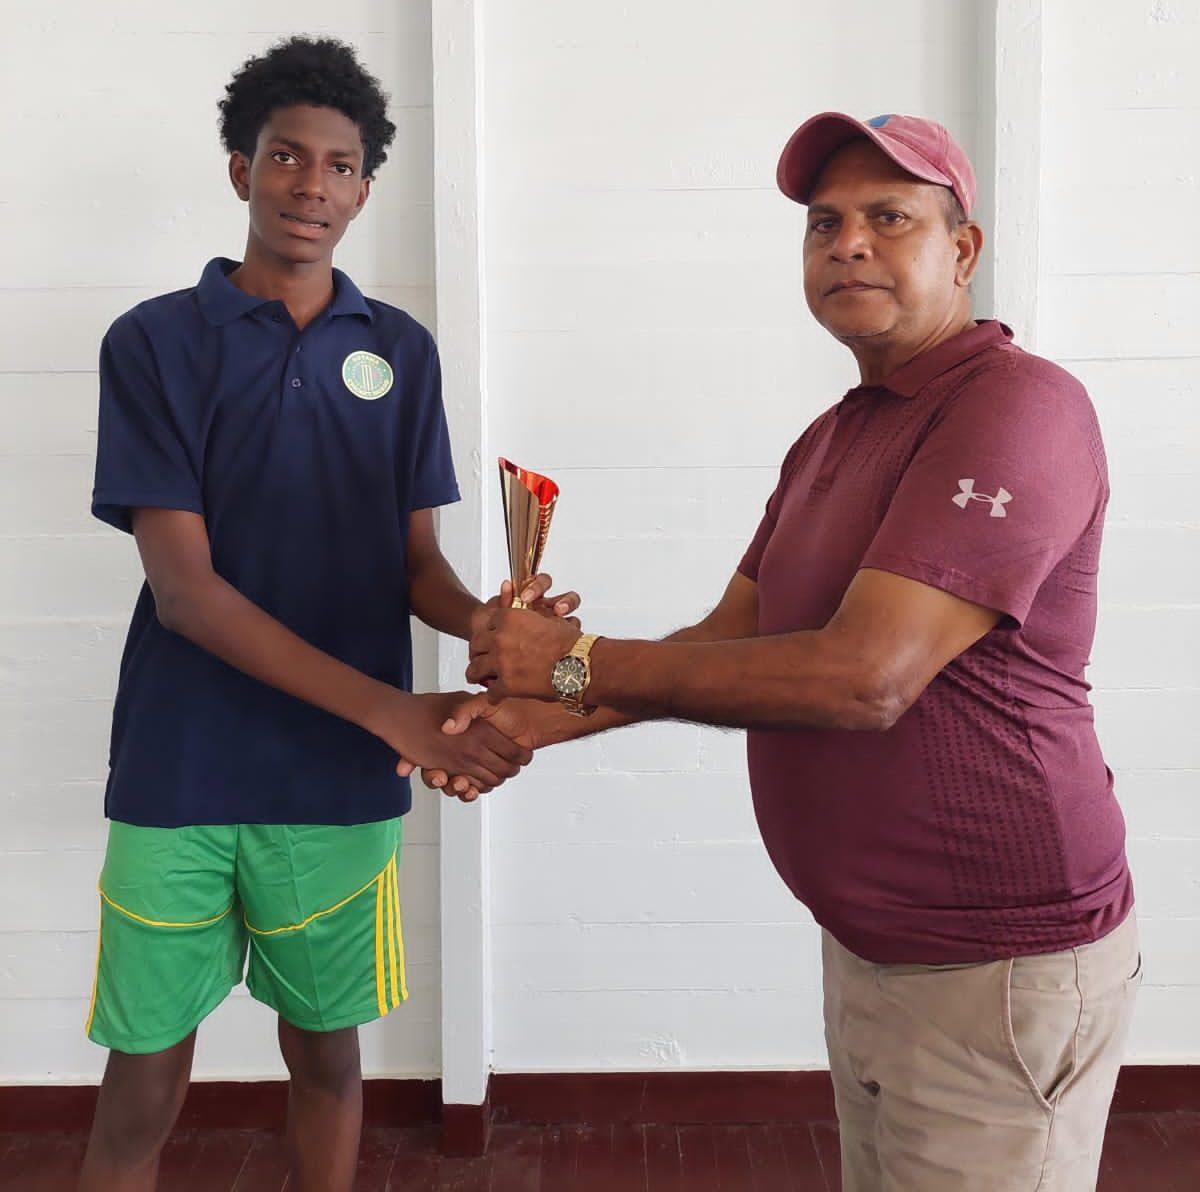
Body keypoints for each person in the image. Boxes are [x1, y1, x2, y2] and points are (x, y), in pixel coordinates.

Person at [430, 113, 1140, 1190]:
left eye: (888, 218)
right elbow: (726, 644)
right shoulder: (836, 435)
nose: (847, 243)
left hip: (993, 970)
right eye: (824, 223)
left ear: (963, 249)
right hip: (871, 946)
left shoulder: (1017, 408)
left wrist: (572, 660)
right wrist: (523, 716)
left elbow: (868, 678)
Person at [80, 37, 575, 1192]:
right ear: (239, 168)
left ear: (366, 186)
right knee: (141, 1076)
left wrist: (493, 624)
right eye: (287, 157)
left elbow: (415, 568)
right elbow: (186, 595)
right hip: (181, 766)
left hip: (335, 779)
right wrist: (396, 712)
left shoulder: (399, 352)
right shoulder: (153, 342)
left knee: (327, 1056)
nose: (313, 184)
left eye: (342, 164)